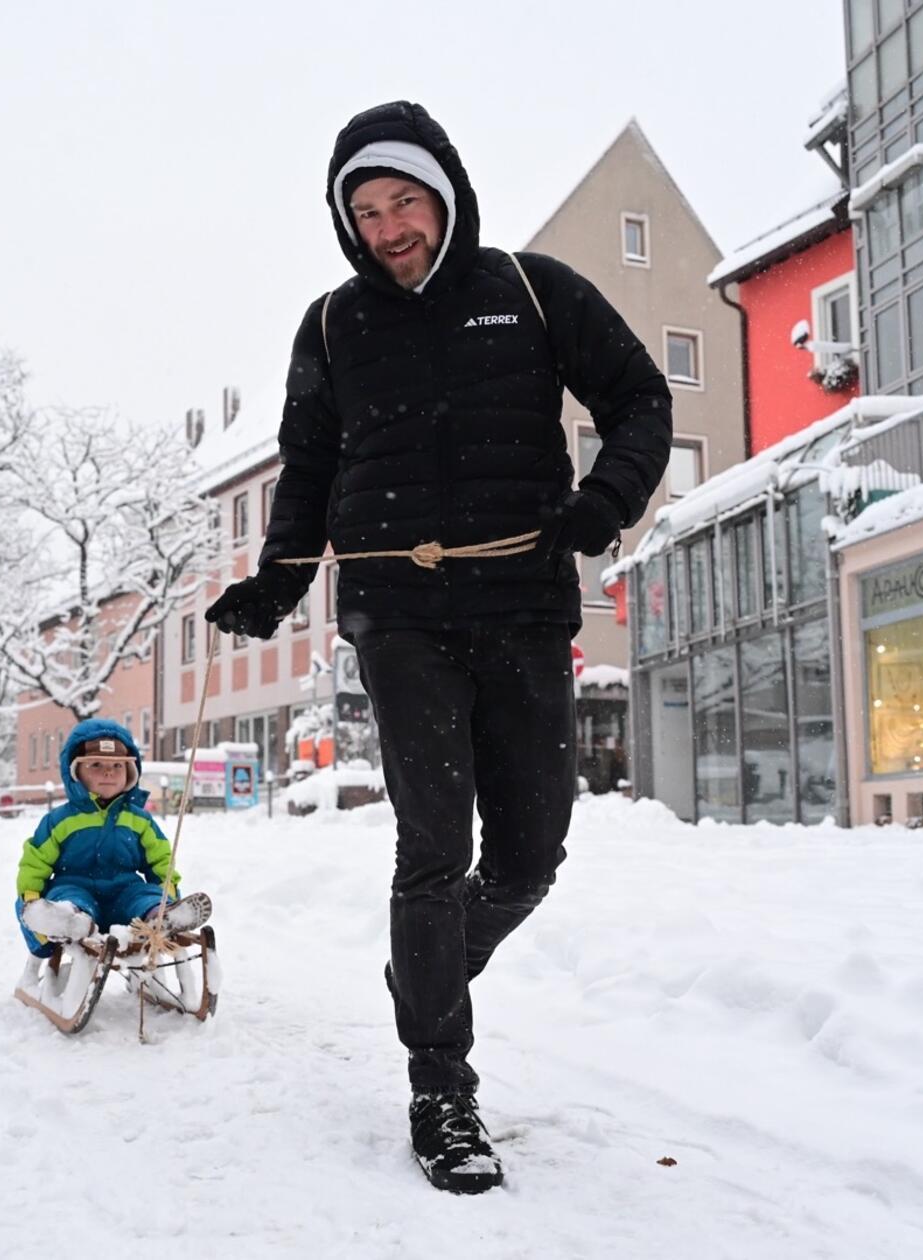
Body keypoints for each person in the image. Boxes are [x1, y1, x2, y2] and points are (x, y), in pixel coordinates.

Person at [204, 101, 672, 1194]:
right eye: (363, 212)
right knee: (432, 846)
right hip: (394, 613)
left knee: (528, 858)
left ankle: (427, 973)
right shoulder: (330, 327)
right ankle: (441, 1086)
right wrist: (276, 583)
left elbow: (640, 396)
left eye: (402, 202)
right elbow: (307, 466)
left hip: (521, 603)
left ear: (444, 193)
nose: (385, 227)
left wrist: (604, 500)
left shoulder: (529, 290)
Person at [16, 719, 210, 954]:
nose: (108, 771)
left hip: (124, 891)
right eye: (96, 764)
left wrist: (165, 893)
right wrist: (31, 898)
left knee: (144, 895)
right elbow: (36, 862)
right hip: (75, 885)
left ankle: (160, 916)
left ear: (130, 771)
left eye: (117, 765)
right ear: (75, 771)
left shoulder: (139, 820)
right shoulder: (60, 820)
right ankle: (69, 920)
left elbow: (160, 861)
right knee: (67, 897)